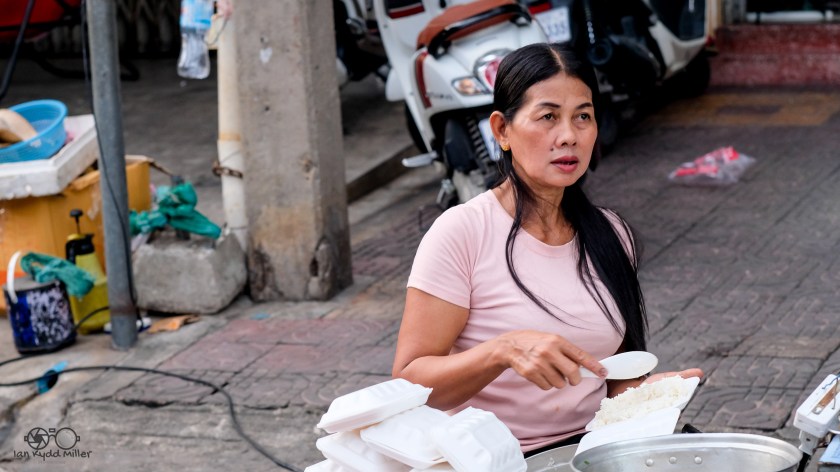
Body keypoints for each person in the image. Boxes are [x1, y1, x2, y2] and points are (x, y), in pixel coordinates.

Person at [392, 43, 703, 455]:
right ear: (502, 130)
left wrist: (647, 396)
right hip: (494, 458)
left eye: (583, 117)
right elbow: (410, 384)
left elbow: (612, 375)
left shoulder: (611, 233)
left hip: (594, 451)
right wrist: (501, 351)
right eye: (548, 117)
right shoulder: (461, 232)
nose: (569, 136)